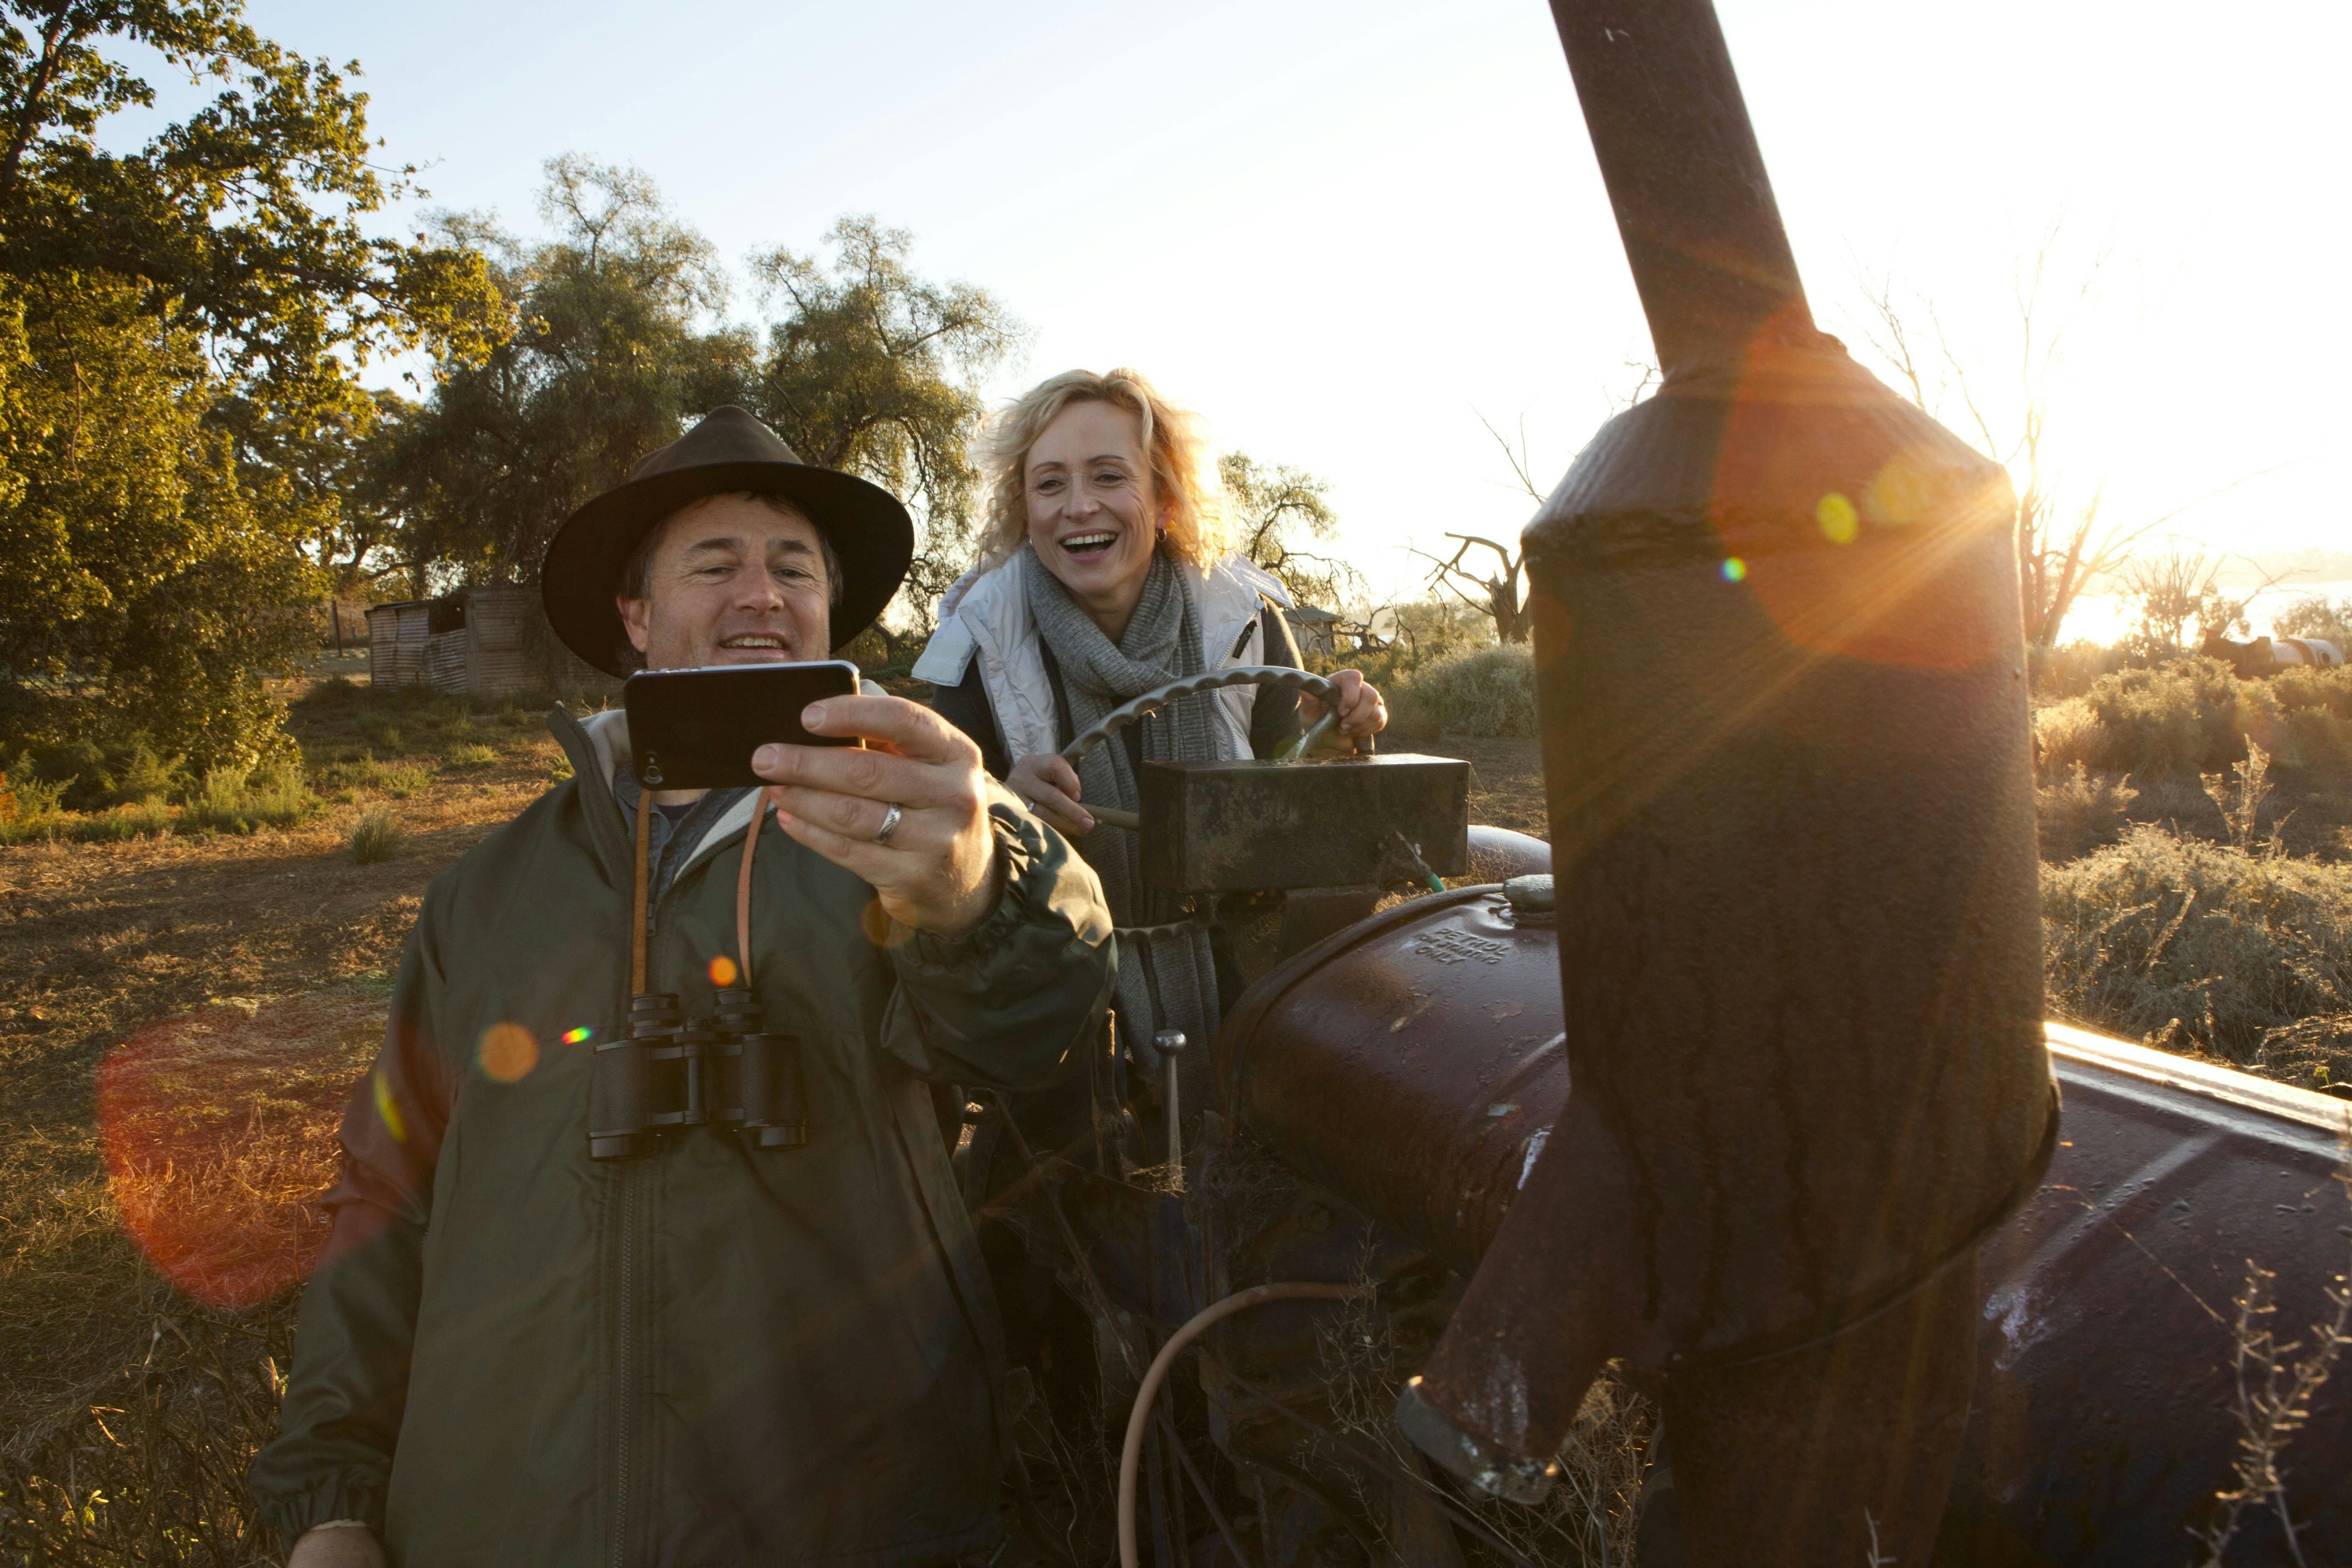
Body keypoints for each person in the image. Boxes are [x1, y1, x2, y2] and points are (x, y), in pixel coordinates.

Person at [251, 407, 1116, 1568]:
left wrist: (979, 892)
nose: (761, 593)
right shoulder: (488, 892)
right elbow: (385, 1197)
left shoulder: (916, 827)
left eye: (793, 568)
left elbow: (1047, 1035)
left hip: (845, 1515)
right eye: (716, 565)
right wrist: (334, 1501)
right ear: (635, 616)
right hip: (501, 1517)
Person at [915, 368, 1384, 1057]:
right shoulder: (974, 640)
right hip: (1056, 979)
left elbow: (1295, 816)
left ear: (1165, 497)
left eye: (1109, 477)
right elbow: (940, 835)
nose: (1078, 506)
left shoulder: (1245, 618)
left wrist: (1334, 743)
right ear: (1023, 510)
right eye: (1049, 484)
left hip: (1233, 954)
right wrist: (1001, 812)